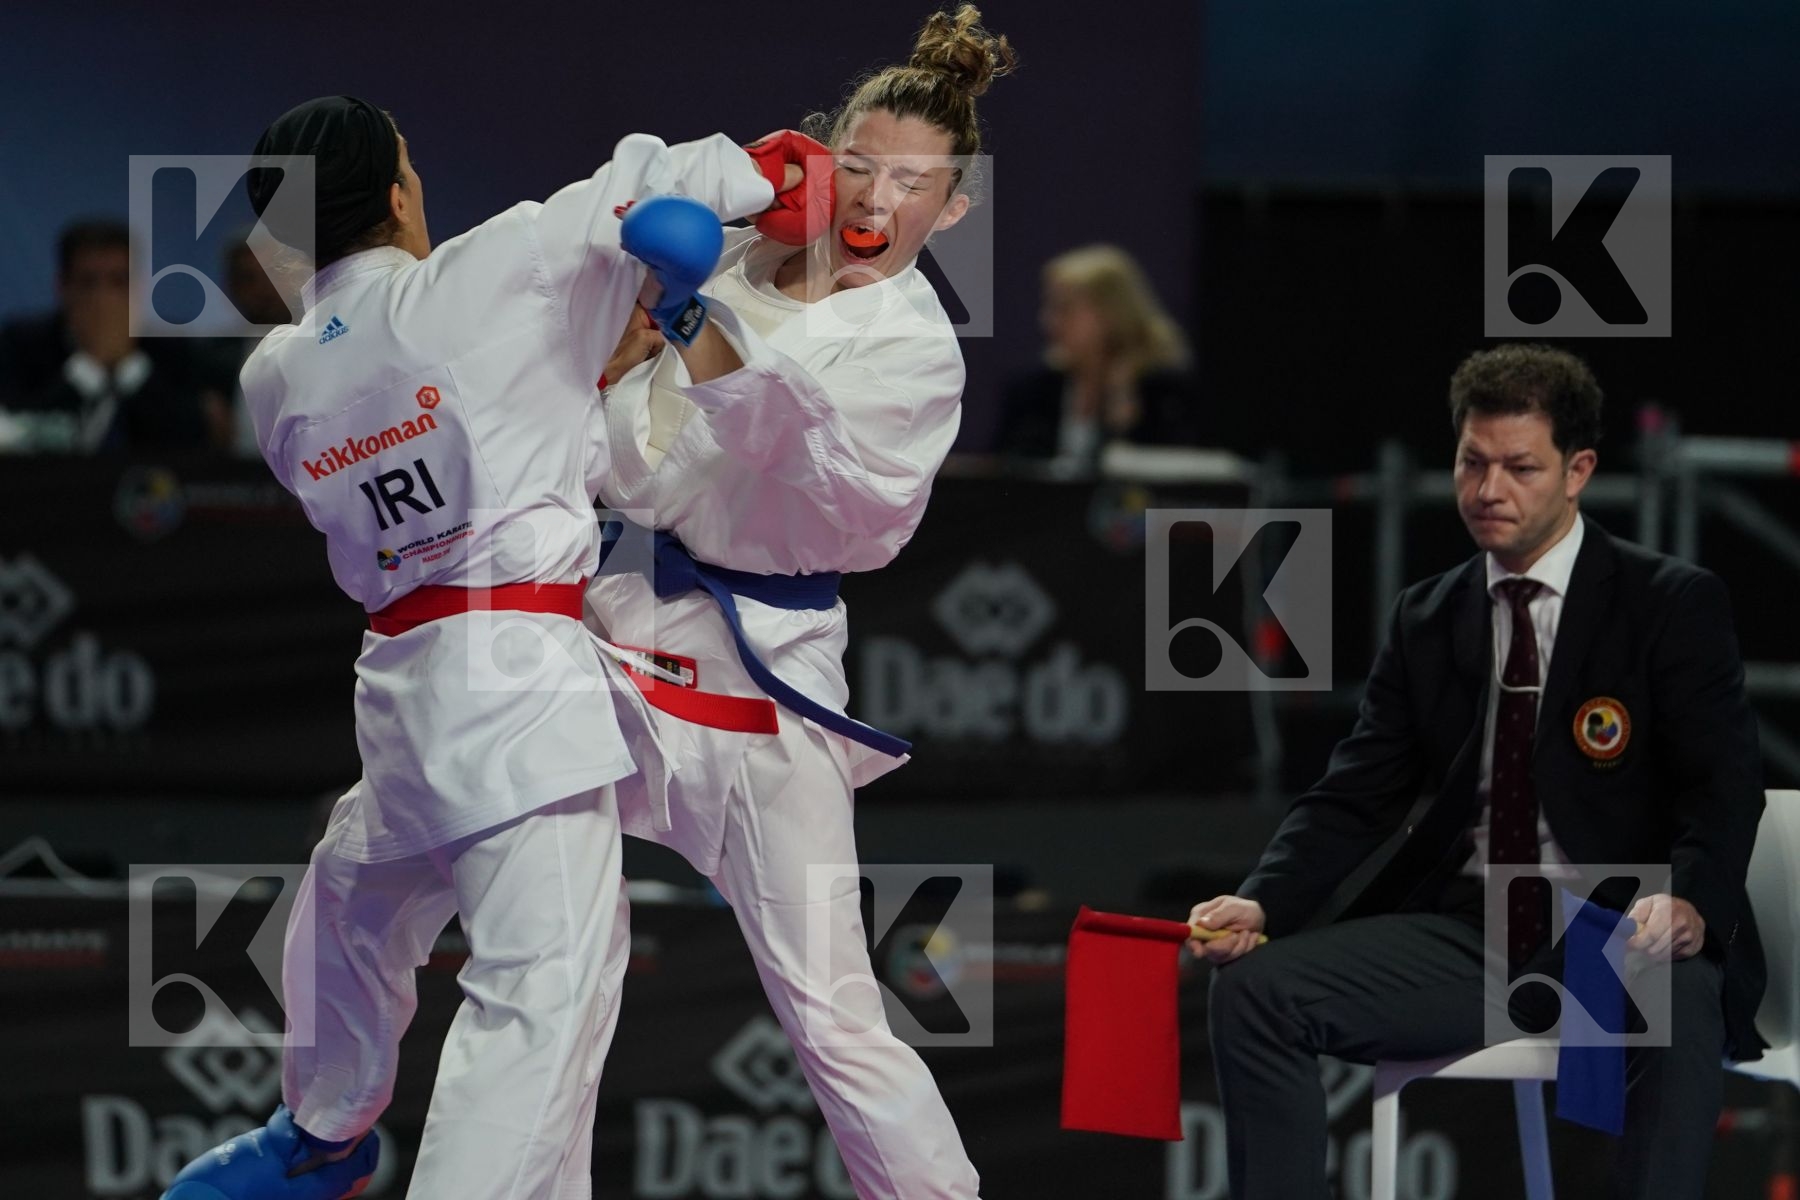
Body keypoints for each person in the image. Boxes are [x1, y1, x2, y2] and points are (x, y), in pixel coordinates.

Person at [161, 96, 795, 1200]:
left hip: (403, 697)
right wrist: (801, 167)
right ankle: (341, 1143)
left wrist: (579, 374)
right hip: (517, 692)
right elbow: (665, 179)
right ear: (399, 195)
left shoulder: (274, 376)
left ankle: (322, 1131)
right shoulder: (497, 267)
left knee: (355, 897)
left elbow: (463, 418)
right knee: (542, 1001)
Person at [584, 7, 1014, 1197]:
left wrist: (683, 318)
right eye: (860, 165)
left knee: (832, 1011)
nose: (879, 198)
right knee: (440, 868)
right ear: (821, 157)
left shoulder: (911, 351)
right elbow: (604, 375)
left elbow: (772, 429)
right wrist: (696, 212)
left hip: (755, 670)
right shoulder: (726, 250)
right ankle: (325, 1121)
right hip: (602, 620)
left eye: (914, 184)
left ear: (954, 209)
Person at [1188, 343, 1766, 1200]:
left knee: (1678, 1006)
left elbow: (1723, 786)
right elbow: (1356, 793)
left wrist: (1688, 901)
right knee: (1256, 993)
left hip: (1622, 931)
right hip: (1474, 940)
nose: (1488, 489)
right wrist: (1264, 898)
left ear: (1577, 472)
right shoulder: (1428, 615)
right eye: (1471, 462)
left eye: (1520, 468)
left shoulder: (1670, 603)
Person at [0, 219, 231, 452]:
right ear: (62, 287)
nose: (105, 298)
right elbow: (15, 433)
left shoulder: (171, 349)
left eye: (119, 281)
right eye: (89, 282)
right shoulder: (23, 345)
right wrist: (88, 368)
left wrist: (130, 367)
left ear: (140, 288)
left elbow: (195, 437)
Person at [993, 243, 1196, 470]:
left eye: (1064, 308)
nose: (1048, 320)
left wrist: (1123, 411)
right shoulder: (1031, 392)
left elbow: (1180, 471)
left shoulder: (1164, 394)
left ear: (1112, 312)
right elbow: (1001, 471)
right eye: (1049, 307)